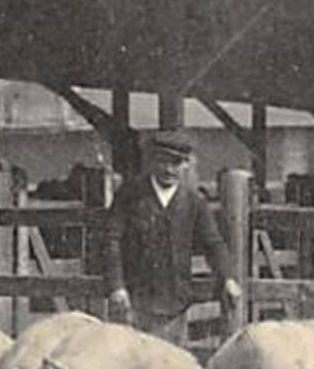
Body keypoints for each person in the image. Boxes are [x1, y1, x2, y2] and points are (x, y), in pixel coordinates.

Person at [102, 128, 241, 345]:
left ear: (185, 164)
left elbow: (213, 243)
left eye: (176, 163)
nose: (169, 169)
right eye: (162, 161)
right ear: (152, 162)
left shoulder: (194, 201)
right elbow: (112, 241)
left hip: (175, 303)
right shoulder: (130, 196)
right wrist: (117, 287)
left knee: (171, 368)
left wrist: (228, 277)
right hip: (134, 301)